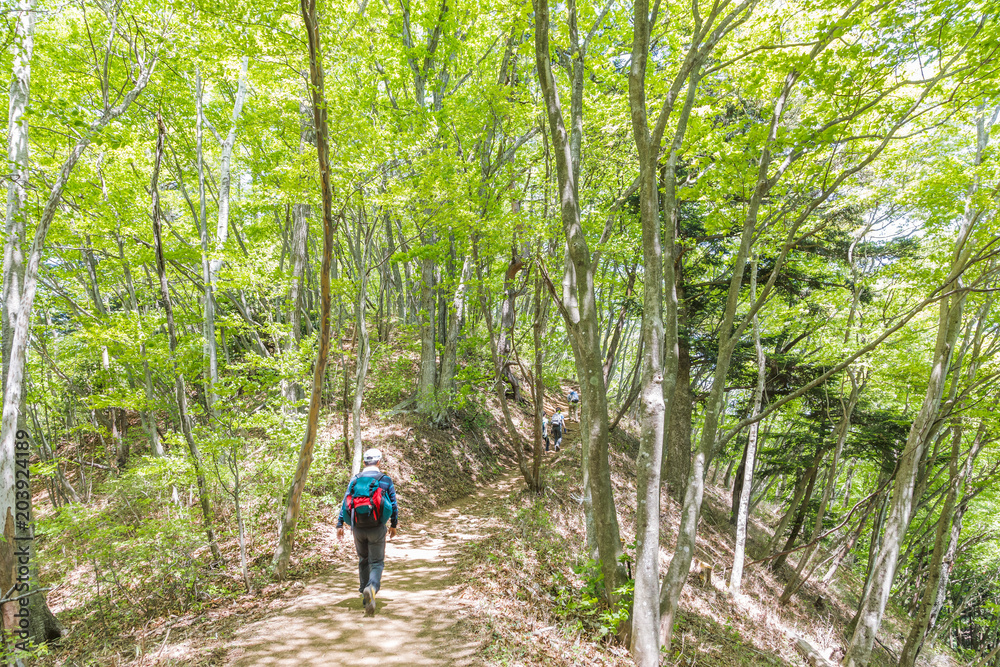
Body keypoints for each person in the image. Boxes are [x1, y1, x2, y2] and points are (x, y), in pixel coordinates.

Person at [336, 448, 398, 616]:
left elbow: (345, 502)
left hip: (357, 528)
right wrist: (394, 524)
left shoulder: (355, 480)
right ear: (379, 462)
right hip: (377, 527)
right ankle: (371, 588)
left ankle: (365, 594)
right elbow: (393, 504)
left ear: (364, 463)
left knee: (363, 559)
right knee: (377, 562)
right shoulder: (385, 480)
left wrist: (340, 524)